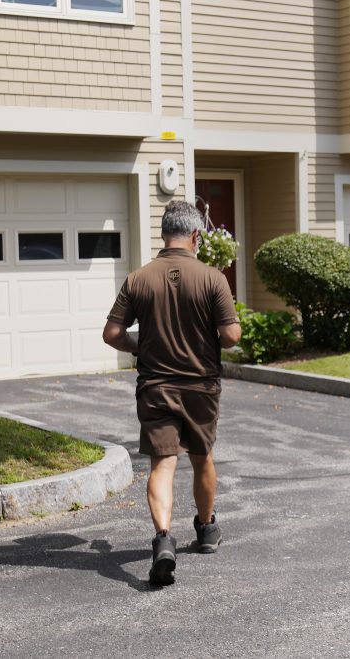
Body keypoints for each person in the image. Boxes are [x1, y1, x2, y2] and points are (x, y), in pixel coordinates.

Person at [101, 200, 241, 587]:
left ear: (164, 234)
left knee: (163, 463)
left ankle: (163, 538)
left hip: (156, 386)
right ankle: (207, 529)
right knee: (201, 457)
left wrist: (140, 346)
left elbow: (112, 333)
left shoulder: (139, 279)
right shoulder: (213, 278)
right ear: (196, 235)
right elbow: (230, 336)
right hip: (200, 387)